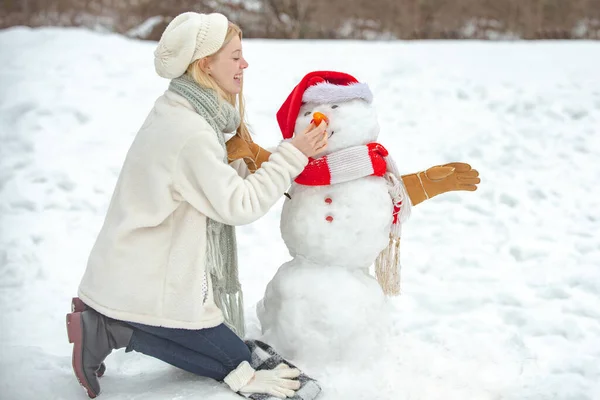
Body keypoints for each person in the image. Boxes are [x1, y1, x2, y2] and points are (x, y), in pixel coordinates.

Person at [65, 11, 389, 400]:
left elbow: (209, 185)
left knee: (229, 352)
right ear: (206, 65)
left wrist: (247, 159)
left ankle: (108, 324)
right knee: (236, 361)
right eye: (235, 56)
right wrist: (291, 155)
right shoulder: (190, 132)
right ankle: (109, 327)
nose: (245, 64)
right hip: (147, 280)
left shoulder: (182, 110)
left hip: (136, 273)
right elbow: (239, 205)